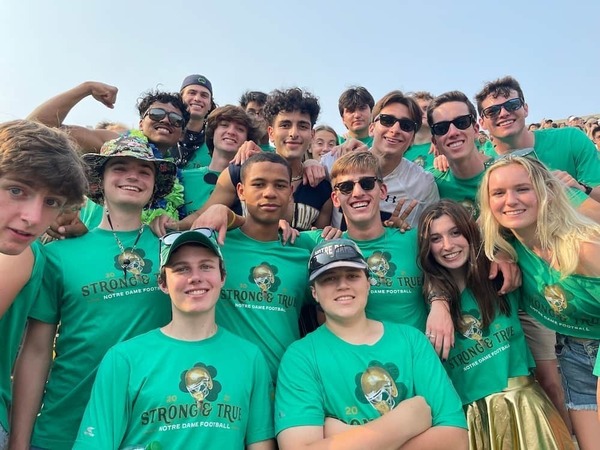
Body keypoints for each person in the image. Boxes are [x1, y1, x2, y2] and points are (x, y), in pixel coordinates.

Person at [8, 136, 176, 450]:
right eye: (120, 167)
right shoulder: (58, 255)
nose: (132, 176)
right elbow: (36, 351)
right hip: (67, 424)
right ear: (99, 180)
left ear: (155, 184)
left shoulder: (177, 250)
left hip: (153, 427)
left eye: (144, 171)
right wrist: (19, 441)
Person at [73, 228, 275, 449]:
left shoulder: (250, 357)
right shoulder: (123, 359)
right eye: (181, 269)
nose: (196, 277)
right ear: (162, 283)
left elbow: (260, 444)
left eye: (206, 266)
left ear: (222, 277)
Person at [275, 238, 468, 449]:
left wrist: (343, 436)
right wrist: (404, 422)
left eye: (352, 275)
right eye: (329, 279)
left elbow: (456, 439)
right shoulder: (300, 358)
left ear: (368, 283)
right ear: (314, 293)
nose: (342, 285)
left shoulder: (411, 341)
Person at [417, 200, 573, 449]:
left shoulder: (500, 276)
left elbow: (515, 218)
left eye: (456, 232)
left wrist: (500, 253)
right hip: (471, 418)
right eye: (436, 238)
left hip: (524, 405)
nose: (448, 245)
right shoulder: (424, 298)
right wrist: (438, 302)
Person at [480, 155, 600, 449]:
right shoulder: (510, 246)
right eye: (498, 193)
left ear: (544, 191)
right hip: (573, 351)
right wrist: (500, 253)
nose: (510, 200)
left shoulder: (584, 247)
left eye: (522, 189)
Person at [0, 120, 88, 449]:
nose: (33, 218)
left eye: (51, 202)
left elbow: (36, 353)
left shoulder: (19, 254)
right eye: (17, 190)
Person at [180, 88, 333, 232]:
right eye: (285, 125)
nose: (293, 133)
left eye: (302, 126)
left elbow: (318, 243)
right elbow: (201, 217)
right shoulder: (238, 172)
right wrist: (169, 226)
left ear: (312, 135)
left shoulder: (322, 188)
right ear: (271, 133)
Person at [475, 76, 600, 203]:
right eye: (492, 111)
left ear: (525, 109)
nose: (503, 113)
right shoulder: (481, 165)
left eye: (512, 105)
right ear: (482, 122)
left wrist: (581, 189)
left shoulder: (571, 138)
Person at [183, 105, 260, 214]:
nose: (231, 132)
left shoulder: (255, 183)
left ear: (248, 139)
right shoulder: (182, 178)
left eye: (240, 129)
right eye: (224, 125)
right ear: (212, 132)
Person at [179, 74, 217, 169]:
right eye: (192, 93)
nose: (197, 98)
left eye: (204, 95)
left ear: (210, 105)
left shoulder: (216, 144)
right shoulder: (165, 134)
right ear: (180, 98)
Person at [405, 91, 435, 170]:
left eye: (427, 109)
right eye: (417, 110)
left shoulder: (443, 147)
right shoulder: (401, 148)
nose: (421, 113)